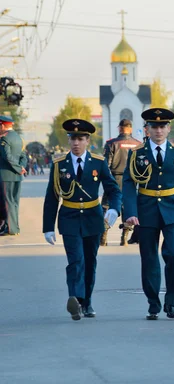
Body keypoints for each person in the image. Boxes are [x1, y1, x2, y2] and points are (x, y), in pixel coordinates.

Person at [42, 119, 122, 320]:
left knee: (90, 261)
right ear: (69, 141)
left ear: (87, 140)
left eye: (80, 139)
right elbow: (52, 196)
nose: (75, 143)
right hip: (69, 217)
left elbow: (113, 189)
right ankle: (75, 299)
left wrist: (113, 209)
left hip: (92, 217)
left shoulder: (98, 162)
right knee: (75, 260)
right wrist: (48, 227)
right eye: (72, 138)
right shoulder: (59, 164)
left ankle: (87, 302)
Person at [122, 108, 174, 320]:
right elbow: (128, 184)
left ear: (169, 128)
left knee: (173, 255)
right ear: (147, 129)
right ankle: (153, 303)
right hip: (145, 210)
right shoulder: (137, 153)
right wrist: (130, 212)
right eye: (154, 126)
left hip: (172, 209)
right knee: (150, 259)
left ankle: (171, 301)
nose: (159, 130)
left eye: (163, 126)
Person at [101, 118, 142, 246]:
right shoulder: (138, 144)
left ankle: (103, 237)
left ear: (119, 128)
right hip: (130, 181)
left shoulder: (111, 143)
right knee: (128, 208)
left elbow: (106, 164)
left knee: (108, 207)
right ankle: (124, 238)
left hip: (114, 179)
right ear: (130, 129)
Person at [0, 115, 27, 236]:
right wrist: (21, 168)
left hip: (6, 175)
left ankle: (11, 229)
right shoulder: (19, 138)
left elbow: (7, 157)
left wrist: (18, 168)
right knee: (14, 202)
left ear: (2, 125)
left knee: (8, 202)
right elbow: (23, 156)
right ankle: (14, 227)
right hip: (17, 176)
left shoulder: (4, 139)